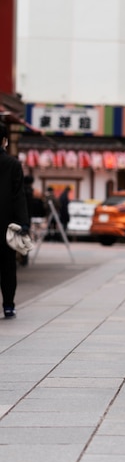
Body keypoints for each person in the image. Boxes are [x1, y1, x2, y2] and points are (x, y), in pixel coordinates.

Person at [0, 122, 31, 318]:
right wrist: (23, 223)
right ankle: (9, 305)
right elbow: (19, 196)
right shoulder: (12, 164)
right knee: (8, 266)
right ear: (5, 141)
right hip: (6, 225)